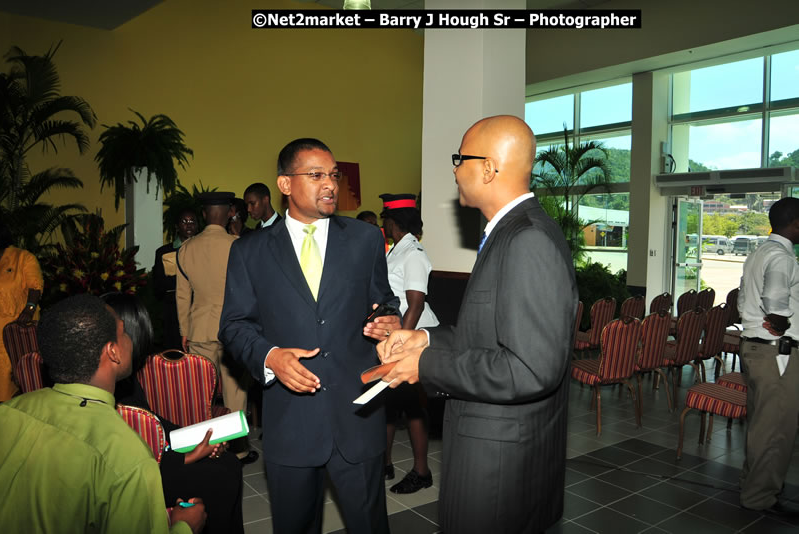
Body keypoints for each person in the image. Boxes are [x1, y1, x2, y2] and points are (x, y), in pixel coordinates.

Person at [377, 116, 578, 533]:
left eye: (460, 158)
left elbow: (528, 369)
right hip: (498, 448)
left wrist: (426, 365)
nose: (454, 169)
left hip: (500, 463)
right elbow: (487, 334)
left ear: (488, 168)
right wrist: (422, 337)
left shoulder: (527, 240)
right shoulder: (507, 232)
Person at [219, 138, 400, 534]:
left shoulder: (365, 240)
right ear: (285, 184)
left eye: (333, 175)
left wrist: (388, 319)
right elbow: (233, 326)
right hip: (291, 422)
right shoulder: (249, 252)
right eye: (316, 175)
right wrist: (270, 357)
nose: (330, 184)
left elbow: (383, 300)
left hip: (357, 416)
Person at [0, 294, 206, 533]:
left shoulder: (5, 413)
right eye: (123, 332)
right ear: (113, 351)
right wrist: (184, 527)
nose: (130, 339)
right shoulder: (128, 458)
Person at [103, 292, 245, 533]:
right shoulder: (106, 380)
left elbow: (152, 424)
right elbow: (131, 449)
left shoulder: (125, 375)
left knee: (228, 463)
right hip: (140, 474)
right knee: (221, 476)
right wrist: (187, 457)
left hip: (154, 458)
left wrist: (198, 439)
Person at [176, 192, 257, 464]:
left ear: (204, 215)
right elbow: (250, 292)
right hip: (233, 328)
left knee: (202, 393)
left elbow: (182, 296)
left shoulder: (186, 249)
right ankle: (238, 450)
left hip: (199, 328)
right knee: (236, 393)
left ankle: (206, 449)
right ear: (227, 213)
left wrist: (184, 331)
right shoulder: (237, 245)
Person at [738, 196, 799, 517]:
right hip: (778, 353)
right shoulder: (782, 258)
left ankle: (754, 483)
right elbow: (775, 302)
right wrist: (781, 321)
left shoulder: (759, 252)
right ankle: (760, 496)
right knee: (776, 428)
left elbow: (740, 298)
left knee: (762, 424)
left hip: (756, 349)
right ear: (795, 224)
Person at [378, 193, 439, 494]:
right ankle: (385, 463)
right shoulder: (397, 250)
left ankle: (421, 471)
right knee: (390, 404)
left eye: (386, 219)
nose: (384, 225)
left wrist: (402, 343)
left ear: (394, 221)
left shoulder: (413, 253)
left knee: (414, 406)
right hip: (401, 334)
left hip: (415, 336)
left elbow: (415, 303)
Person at [0, 219, 43, 401]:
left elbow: (35, 287)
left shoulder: (22, 258)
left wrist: (29, 309)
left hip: (14, 336)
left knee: (7, 396)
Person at [153, 209, 198, 350]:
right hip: (172, 312)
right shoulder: (163, 252)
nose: (189, 225)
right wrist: (186, 280)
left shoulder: (203, 250)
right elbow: (159, 285)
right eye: (184, 222)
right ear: (177, 226)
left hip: (198, 310)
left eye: (192, 222)